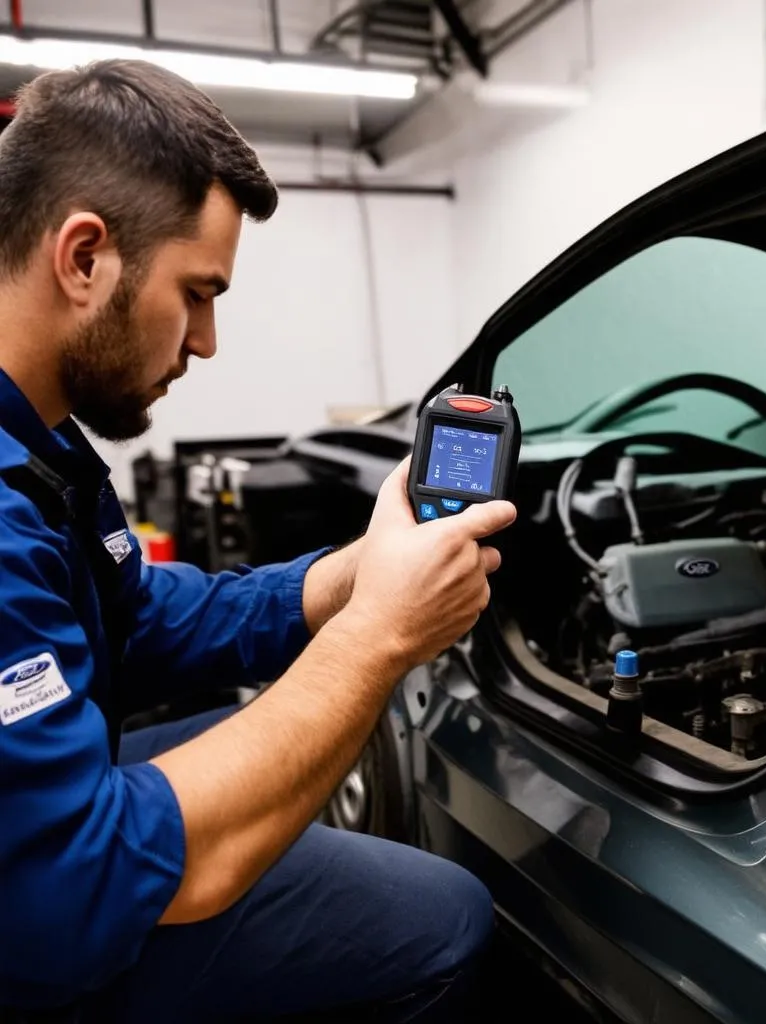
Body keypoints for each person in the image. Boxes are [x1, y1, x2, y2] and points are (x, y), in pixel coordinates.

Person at [0, 59, 516, 1022]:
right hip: (36, 943)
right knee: (445, 920)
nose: (205, 341)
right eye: (197, 292)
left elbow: (139, 617)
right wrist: (381, 640)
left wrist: (351, 578)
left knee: (223, 738)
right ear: (83, 258)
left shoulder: (41, 441)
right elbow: (75, 897)